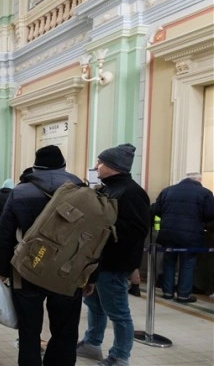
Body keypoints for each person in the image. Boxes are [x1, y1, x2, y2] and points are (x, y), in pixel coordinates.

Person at [0, 145, 89, 366]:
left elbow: (6, 235)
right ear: (64, 166)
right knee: (65, 331)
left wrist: (2, 270)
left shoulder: (19, 192)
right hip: (68, 271)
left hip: (28, 269)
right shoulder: (81, 191)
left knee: (29, 331)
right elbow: (93, 238)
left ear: (36, 167)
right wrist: (90, 276)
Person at [77, 144, 150, 366]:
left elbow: (137, 230)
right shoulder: (106, 189)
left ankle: (120, 356)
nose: (96, 166)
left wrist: (105, 226)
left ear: (114, 166)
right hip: (97, 262)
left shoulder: (132, 192)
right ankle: (92, 343)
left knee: (118, 312)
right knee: (95, 305)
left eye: (100, 162)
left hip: (114, 263)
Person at [153, 172, 214, 302]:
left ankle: (167, 292)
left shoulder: (167, 190)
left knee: (169, 262)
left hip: (168, 233)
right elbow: (210, 214)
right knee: (187, 264)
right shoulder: (205, 193)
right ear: (199, 180)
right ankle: (183, 295)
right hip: (191, 235)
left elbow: (156, 210)